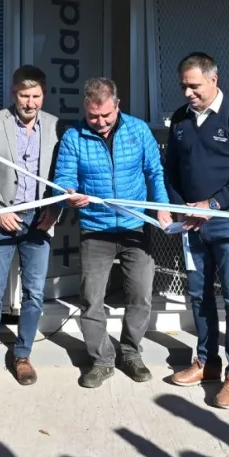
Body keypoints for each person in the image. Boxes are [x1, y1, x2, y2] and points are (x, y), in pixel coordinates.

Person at [53, 77, 172, 389]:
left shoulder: (138, 130)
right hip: (95, 229)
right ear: (85, 108)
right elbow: (63, 179)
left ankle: (130, 352)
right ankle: (101, 359)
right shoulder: (73, 137)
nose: (101, 122)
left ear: (118, 106)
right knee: (92, 298)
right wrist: (68, 195)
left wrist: (162, 208)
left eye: (106, 115)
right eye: (93, 116)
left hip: (135, 226)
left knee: (140, 295)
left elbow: (154, 172)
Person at [165, 52, 229, 410]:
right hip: (192, 223)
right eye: (183, 86)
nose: (187, 93)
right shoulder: (180, 119)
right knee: (198, 294)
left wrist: (213, 205)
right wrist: (182, 208)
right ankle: (206, 361)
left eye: (194, 86)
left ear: (213, 80)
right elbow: (171, 171)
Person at [0, 65, 61, 389]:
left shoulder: (56, 126)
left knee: (34, 293)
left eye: (36, 96)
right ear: (13, 93)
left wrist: (55, 210)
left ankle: (22, 355)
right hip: (0, 219)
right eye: (24, 96)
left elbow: (62, 174)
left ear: (43, 95)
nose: (30, 103)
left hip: (39, 220)